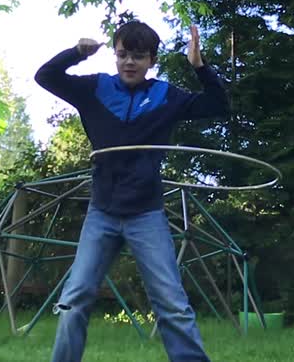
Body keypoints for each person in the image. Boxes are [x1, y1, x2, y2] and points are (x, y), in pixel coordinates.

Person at [35, 21, 229, 362]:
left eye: (138, 56)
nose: (129, 62)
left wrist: (199, 65)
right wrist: (77, 53)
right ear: (115, 55)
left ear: (151, 60)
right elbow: (45, 76)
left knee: (172, 304)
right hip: (102, 212)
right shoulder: (95, 88)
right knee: (73, 300)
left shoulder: (166, 97)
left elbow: (218, 105)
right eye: (123, 54)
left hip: (146, 214)